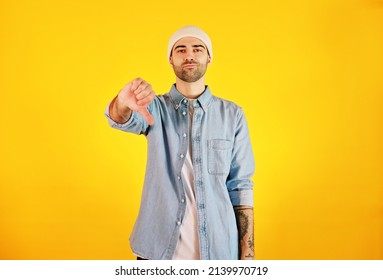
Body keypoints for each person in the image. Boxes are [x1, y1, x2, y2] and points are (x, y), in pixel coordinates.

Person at [105, 26, 255, 260]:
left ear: (209, 57)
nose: (189, 55)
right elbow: (118, 119)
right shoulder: (153, 107)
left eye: (197, 49)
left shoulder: (233, 115)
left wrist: (247, 256)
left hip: (218, 252)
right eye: (181, 50)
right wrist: (122, 103)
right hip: (156, 251)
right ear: (171, 59)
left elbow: (241, 187)